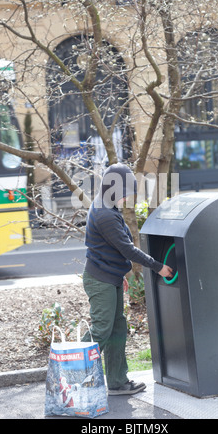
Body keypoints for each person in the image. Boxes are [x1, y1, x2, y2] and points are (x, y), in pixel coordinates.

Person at [82, 163, 173, 395]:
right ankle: (70, 373)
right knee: (102, 329)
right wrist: (158, 267)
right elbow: (127, 250)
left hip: (108, 276)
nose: (127, 198)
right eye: (125, 193)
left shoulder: (107, 205)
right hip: (100, 280)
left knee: (117, 329)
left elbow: (108, 248)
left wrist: (119, 273)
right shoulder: (105, 215)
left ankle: (117, 381)